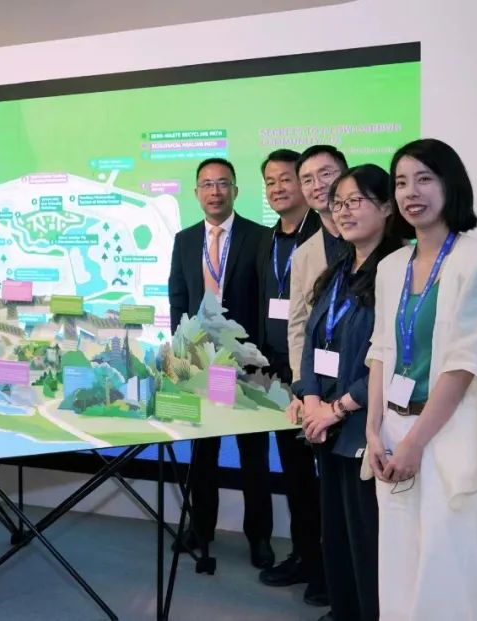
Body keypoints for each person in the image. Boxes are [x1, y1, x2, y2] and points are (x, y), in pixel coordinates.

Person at [365, 139, 477, 620]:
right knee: (398, 564)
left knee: (447, 569)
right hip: (392, 431)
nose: (411, 192)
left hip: (444, 434)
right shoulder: (391, 267)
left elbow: (465, 364)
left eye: (424, 179)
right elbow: (380, 350)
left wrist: (415, 443)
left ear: (451, 185)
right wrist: (374, 431)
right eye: (401, 182)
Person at [296, 165, 411, 621]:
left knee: (368, 541)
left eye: (355, 201)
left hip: (366, 427)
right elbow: (312, 340)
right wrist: (310, 400)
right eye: (338, 203)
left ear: (386, 208)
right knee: (337, 536)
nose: (343, 211)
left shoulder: (399, 271)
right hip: (326, 425)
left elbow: (392, 358)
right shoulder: (339, 270)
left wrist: (338, 408)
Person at [168, 158, 273, 568]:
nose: (215, 191)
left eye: (223, 183)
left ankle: (259, 537)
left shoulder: (260, 237)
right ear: (197, 193)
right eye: (207, 184)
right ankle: (201, 528)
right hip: (201, 362)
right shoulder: (184, 240)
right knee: (203, 454)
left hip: (248, 361)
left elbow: (265, 301)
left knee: (254, 455)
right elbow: (178, 297)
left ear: (235, 190)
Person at [253, 149, 327, 605]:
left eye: (286, 178)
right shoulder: (268, 240)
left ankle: (328, 568)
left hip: (317, 379)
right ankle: (304, 555)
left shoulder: (326, 233)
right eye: (270, 181)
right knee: (296, 475)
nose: (278, 188)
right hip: (278, 376)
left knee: (325, 481)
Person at [288, 145, 349, 386]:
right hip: (320, 382)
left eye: (325, 174)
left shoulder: (380, 241)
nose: (317, 185)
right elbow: (297, 324)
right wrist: (301, 384)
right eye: (307, 180)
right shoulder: (302, 255)